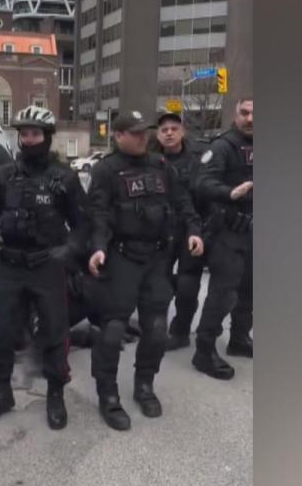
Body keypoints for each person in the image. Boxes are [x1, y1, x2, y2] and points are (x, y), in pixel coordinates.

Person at [0, 106, 88, 430]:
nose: (29, 140)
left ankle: (55, 393)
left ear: (47, 137)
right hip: (10, 266)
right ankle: (1, 391)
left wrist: (69, 250)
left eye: (35, 134)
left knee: (55, 333)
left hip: (47, 267)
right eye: (24, 134)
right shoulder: (3, 176)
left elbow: (84, 224)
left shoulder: (64, 178)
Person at [86, 111, 204, 431]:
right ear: (118, 135)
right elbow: (97, 215)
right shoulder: (106, 170)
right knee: (112, 331)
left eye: (144, 133)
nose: (142, 138)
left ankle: (144, 385)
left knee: (155, 328)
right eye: (134, 133)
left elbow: (184, 205)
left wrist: (194, 231)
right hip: (122, 258)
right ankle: (108, 394)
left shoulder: (161, 167)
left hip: (156, 260)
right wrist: (97, 248)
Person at [191, 98, 254, 380]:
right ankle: (204, 351)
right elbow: (201, 182)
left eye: (256, 114)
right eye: (245, 112)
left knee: (250, 290)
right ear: (235, 114)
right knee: (223, 294)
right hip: (228, 231)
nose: (250, 118)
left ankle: (240, 339)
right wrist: (229, 193)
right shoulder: (222, 146)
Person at [152, 111, 208, 351]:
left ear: (182, 132)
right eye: (164, 130)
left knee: (187, 286)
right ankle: (155, 330)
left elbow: (206, 196)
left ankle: (181, 331)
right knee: (158, 283)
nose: (169, 133)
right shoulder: (151, 160)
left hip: (190, 228)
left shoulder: (198, 160)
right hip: (160, 231)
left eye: (174, 129)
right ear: (158, 134)